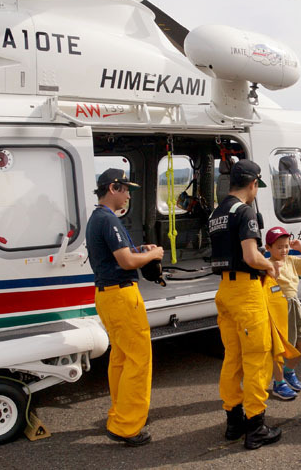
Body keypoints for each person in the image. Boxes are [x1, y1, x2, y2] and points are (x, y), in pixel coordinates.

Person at [86, 168, 164, 447]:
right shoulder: (108, 220)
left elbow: (121, 255)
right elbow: (126, 263)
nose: (129, 195)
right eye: (126, 190)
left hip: (106, 296)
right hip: (121, 296)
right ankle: (128, 426)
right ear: (113, 188)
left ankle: (119, 415)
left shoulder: (98, 219)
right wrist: (154, 254)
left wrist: (140, 249)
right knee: (138, 361)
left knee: (120, 359)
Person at [209, 159, 283, 450]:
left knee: (233, 358)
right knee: (257, 359)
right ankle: (256, 427)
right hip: (247, 292)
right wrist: (269, 266)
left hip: (225, 290)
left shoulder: (217, 212)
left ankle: (233, 422)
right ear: (253, 184)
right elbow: (251, 256)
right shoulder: (245, 211)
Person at [265, 227, 301, 400]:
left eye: (286, 246)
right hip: (278, 307)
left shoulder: (292, 260)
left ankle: (289, 371)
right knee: (280, 348)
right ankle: (279, 383)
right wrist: (274, 271)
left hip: (294, 305)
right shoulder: (267, 265)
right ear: (268, 248)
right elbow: (265, 286)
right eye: (279, 247)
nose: (284, 250)